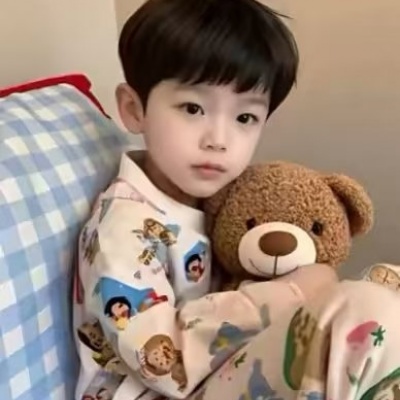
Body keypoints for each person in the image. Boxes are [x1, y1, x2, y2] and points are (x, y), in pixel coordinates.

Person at [72, 0, 335, 399]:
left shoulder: (218, 205)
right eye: (193, 108)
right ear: (134, 109)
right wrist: (289, 294)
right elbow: (163, 360)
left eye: (244, 118)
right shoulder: (123, 228)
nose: (218, 140)